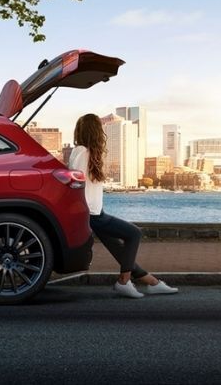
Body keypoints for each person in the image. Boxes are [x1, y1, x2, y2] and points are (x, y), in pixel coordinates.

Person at [69, 113, 178, 298]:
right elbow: (76, 183)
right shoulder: (82, 152)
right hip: (91, 214)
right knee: (134, 234)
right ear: (95, 131)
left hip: (94, 212)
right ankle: (124, 282)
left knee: (120, 251)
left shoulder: (84, 151)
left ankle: (152, 283)